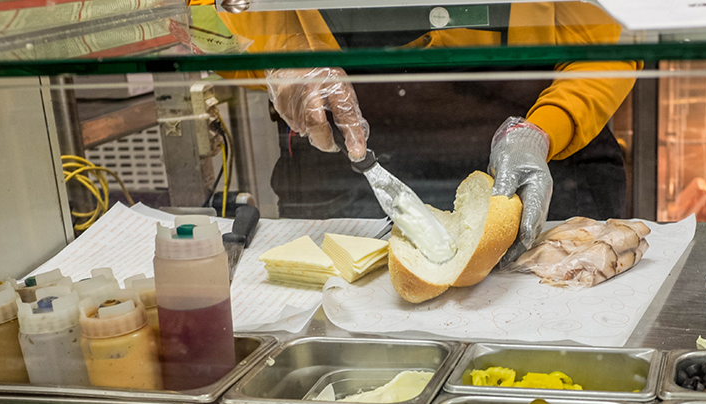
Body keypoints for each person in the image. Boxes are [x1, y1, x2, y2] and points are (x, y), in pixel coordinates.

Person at [215, 3, 638, 262]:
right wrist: (284, 64)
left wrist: (542, 131)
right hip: (344, 171)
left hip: (541, 168)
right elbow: (202, 27)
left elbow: (606, 45)